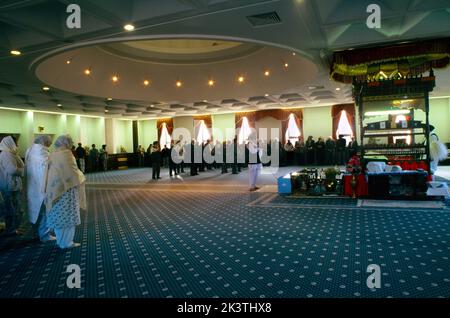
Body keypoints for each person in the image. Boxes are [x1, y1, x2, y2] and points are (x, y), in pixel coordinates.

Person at [45, 135, 86, 249]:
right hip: (67, 191)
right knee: (68, 216)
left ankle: (60, 241)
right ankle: (67, 243)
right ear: (67, 143)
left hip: (54, 190)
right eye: (71, 142)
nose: (72, 144)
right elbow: (73, 173)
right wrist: (81, 177)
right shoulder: (67, 155)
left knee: (58, 215)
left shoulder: (53, 154)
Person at [25, 135, 54, 242]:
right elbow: (49, 170)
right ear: (45, 142)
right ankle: (44, 235)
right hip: (42, 186)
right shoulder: (43, 153)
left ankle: (35, 233)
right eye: (49, 143)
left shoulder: (30, 150)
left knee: (33, 210)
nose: (49, 145)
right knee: (45, 210)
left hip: (31, 186)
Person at [0, 136, 24, 236]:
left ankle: (13, 228)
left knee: (14, 208)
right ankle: (11, 229)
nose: (17, 145)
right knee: (11, 209)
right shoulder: (7, 154)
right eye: (15, 143)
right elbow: (12, 170)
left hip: (11, 185)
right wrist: (23, 171)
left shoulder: (10, 154)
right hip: (9, 186)